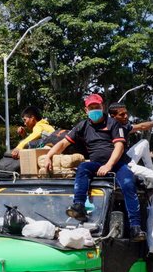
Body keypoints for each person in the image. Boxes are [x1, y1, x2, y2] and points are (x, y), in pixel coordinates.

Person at [44, 93, 146, 242]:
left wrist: (109, 165)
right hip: (96, 164)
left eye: (97, 107)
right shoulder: (82, 125)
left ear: (102, 107)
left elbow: (119, 147)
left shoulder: (113, 123)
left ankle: (135, 227)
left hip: (117, 164)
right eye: (91, 108)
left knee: (128, 183)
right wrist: (48, 156)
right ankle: (78, 206)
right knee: (83, 168)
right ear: (86, 110)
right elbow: (63, 144)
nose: (94, 110)